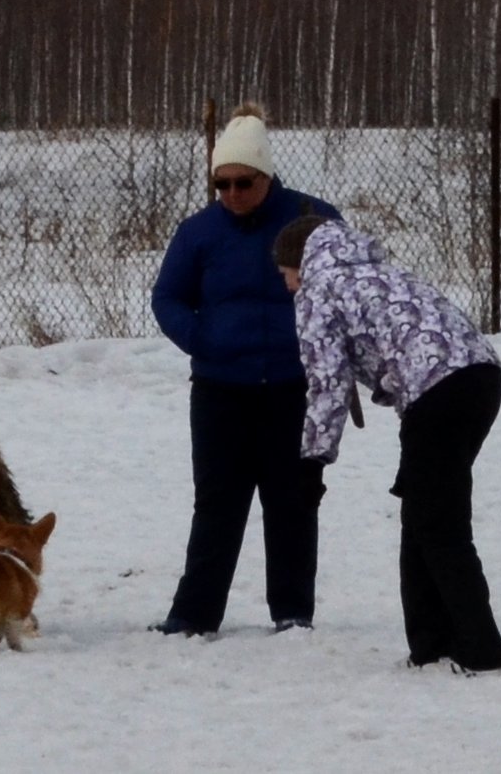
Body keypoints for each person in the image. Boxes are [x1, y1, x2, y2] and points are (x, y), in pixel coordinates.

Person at [273, 216, 501, 674]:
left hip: (435, 391)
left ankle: (481, 652)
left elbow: (326, 381)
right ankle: (430, 647)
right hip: (481, 379)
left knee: (440, 527)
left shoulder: (318, 288)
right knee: (423, 514)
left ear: (297, 262)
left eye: (285, 275)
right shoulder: (376, 270)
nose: (287, 287)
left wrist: (312, 463)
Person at [148, 102, 342, 637]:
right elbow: (167, 297)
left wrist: (320, 351)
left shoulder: (312, 219)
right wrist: (201, 340)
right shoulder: (199, 233)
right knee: (217, 502)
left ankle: (293, 612)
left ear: (267, 175)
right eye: (222, 185)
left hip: (291, 387)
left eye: (244, 182)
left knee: (293, 500)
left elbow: (345, 286)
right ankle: (194, 614)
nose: (232, 194)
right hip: (220, 390)